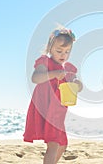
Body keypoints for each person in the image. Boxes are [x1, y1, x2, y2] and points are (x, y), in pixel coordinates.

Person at [23, 26, 83, 164]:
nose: (63, 55)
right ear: (50, 48)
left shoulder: (68, 69)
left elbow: (76, 84)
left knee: (62, 144)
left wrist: (78, 84)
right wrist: (53, 74)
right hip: (45, 107)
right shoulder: (45, 62)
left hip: (58, 111)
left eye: (67, 52)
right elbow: (35, 78)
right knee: (54, 143)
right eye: (59, 51)